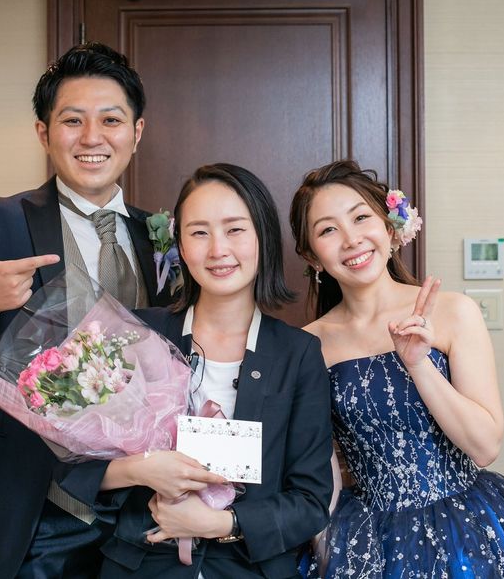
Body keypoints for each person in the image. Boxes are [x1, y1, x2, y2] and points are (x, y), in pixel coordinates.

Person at [0, 42, 186, 579]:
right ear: (44, 133)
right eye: (72, 121)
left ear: (136, 131)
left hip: (147, 513)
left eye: (110, 120)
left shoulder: (166, 239)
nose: (92, 138)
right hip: (31, 509)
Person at [289, 159, 504, 578]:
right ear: (311, 256)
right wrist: (324, 551)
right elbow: (325, 472)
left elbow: (485, 447)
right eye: (328, 230)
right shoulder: (307, 345)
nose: (352, 240)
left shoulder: (454, 312)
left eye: (360, 218)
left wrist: (418, 364)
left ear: (390, 227)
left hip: (467, 530)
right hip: (368, 540)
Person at [98, 163, 334, 578]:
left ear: (263, 237)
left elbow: (311, 502)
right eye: (199, 232)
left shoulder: (297, 354)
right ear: (180, 244)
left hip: (250, 569)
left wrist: (219, 523)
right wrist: (138, 470)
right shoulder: (139, 333)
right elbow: (71, 466)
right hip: (142, 564)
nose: (218, 249)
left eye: (235, 229)